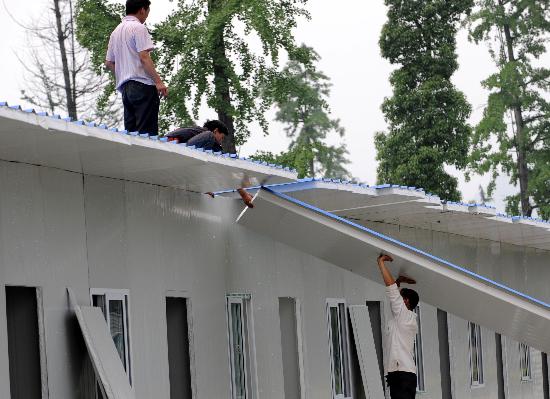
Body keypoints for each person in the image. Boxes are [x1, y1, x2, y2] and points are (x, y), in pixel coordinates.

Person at [105, 0, 168, 136]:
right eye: (147, 13)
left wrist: (123, 72)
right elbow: (144, 57)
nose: (146, 17)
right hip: (142, 85)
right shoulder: (138, 28)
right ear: (142, 10)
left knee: (132, 136)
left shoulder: (115, 32)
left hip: (126, 90)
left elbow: (109, 63)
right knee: (147, 135)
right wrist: (158, 82)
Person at [377, 253, 419, 399]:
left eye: (401, 299)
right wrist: (399, 280)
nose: (398, 301)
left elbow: (392, 292)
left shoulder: (404, 317)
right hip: (401, 374)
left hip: (401, 374)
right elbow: (395, 298)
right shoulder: (404, 317)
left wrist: (381, 263)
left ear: (406, 301)